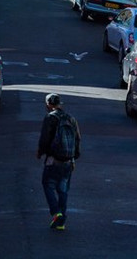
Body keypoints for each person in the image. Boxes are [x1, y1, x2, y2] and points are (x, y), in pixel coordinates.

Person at [36, 92, 81, 230]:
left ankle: (57, 213)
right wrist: (74, 156)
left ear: (48, 104)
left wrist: (40, 152)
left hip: (53, 159)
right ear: (59, 104)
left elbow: (45, 139)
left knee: (47, 184)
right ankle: (61, 221)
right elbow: (78, 138)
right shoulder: (70, 118)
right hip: (68, 160)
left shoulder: (50, 118)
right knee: (63, 190)